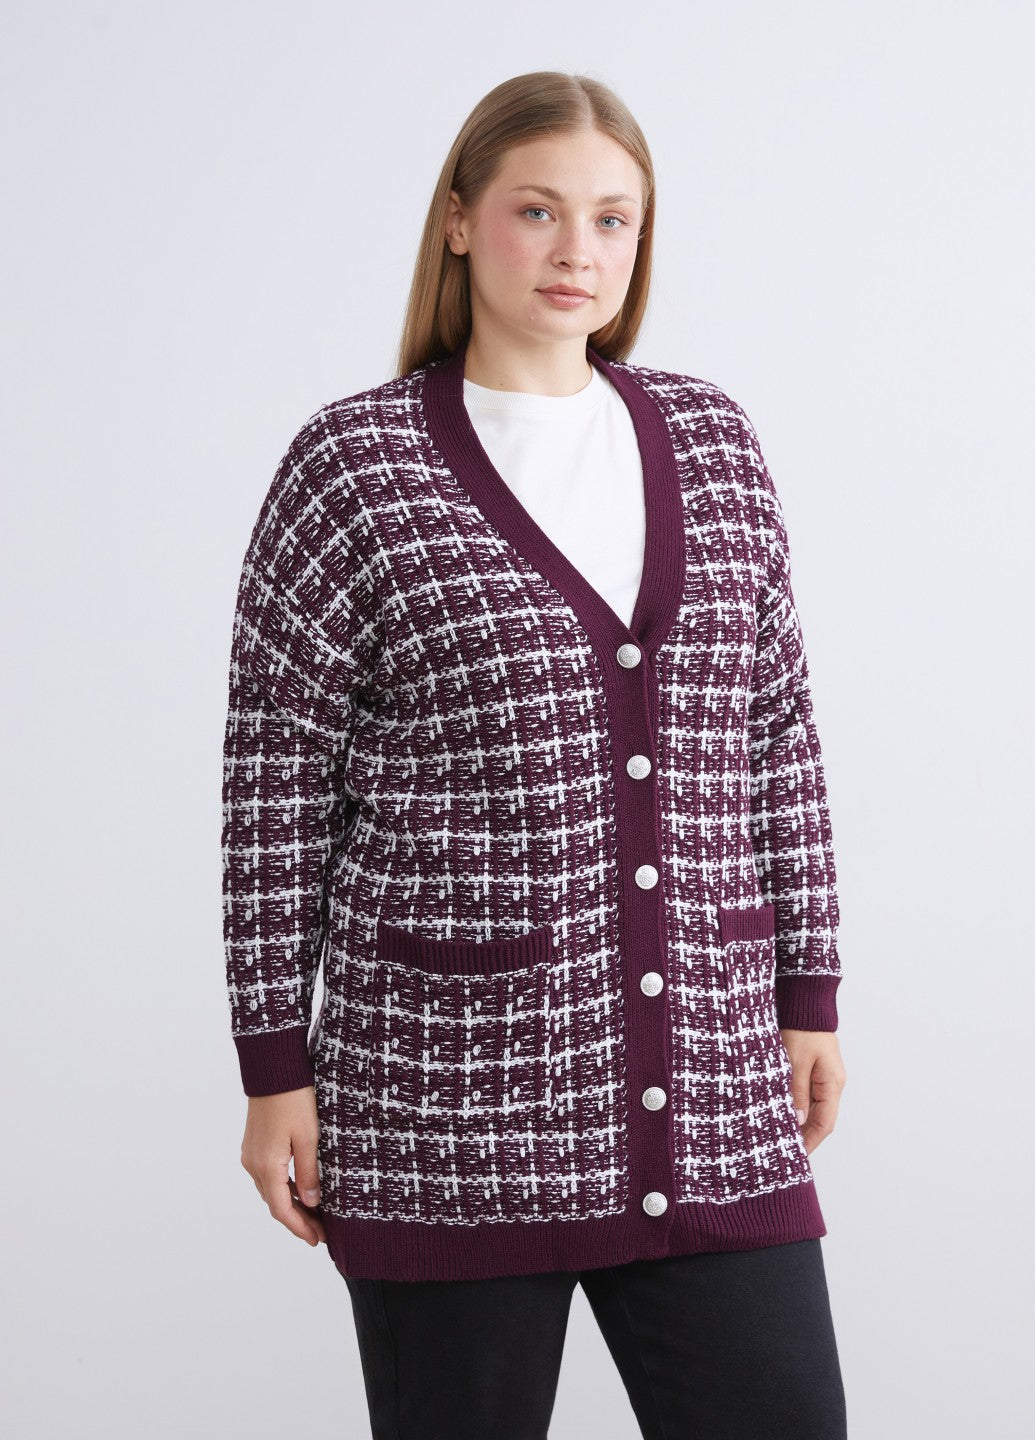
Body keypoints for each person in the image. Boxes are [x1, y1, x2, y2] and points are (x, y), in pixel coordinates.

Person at [221, 69, 848, 1440]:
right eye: (539, 210)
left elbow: (777, 733)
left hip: (711, 1076)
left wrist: (808, 986)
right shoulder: (354, 468)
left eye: (613, 219)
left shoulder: (712, 442)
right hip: (447, 1095)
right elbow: (275, 794)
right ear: (459, 221)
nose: (578, 251)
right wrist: (274, 1069)